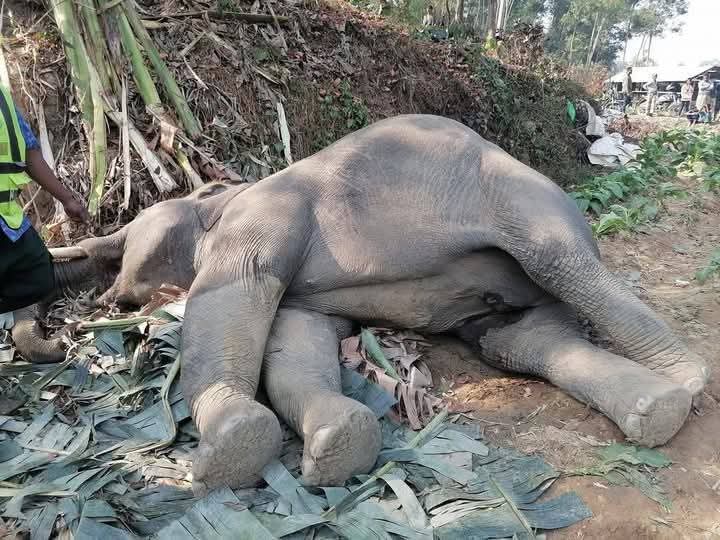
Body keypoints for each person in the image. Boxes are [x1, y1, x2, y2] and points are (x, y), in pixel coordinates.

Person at [0, 86, 89, 318]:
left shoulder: (4, 100)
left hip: (9, 220)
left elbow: (30, 153)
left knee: (39, 277)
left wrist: (67, 199)